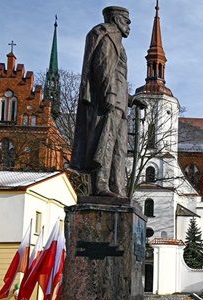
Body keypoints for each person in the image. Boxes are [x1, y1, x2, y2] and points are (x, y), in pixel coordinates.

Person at [71, 6, 133, 198]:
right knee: (105, 142)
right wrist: (109, 94)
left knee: (119, 147)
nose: (129, 25)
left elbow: (119, 75)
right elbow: (103, 67)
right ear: (115, 18)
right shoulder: (107, 36)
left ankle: (117, 188)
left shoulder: (119, 43)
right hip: (110, 100)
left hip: (120, 102)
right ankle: (100, 185)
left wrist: (130, 99)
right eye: (126, 20)